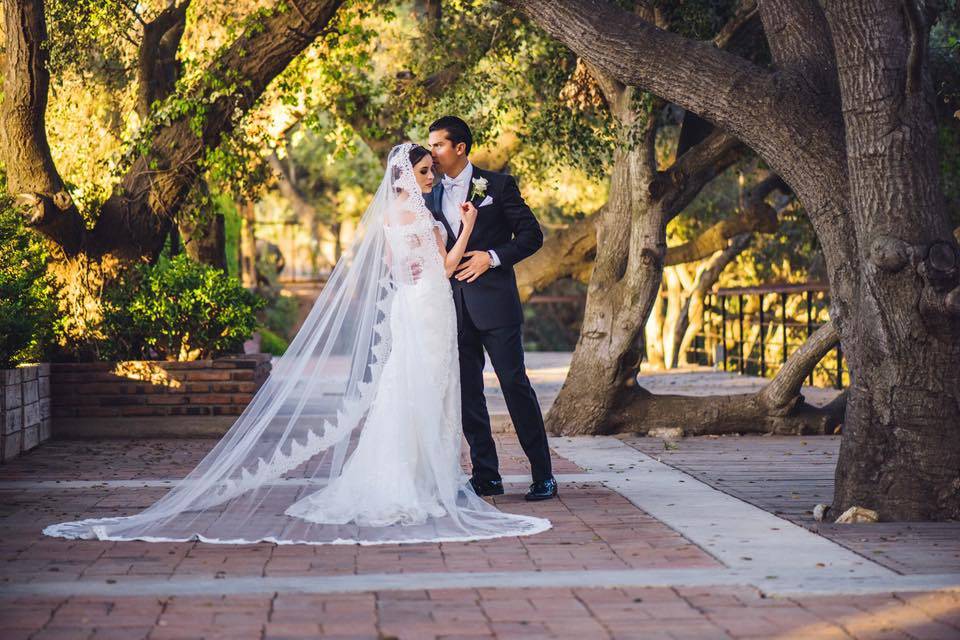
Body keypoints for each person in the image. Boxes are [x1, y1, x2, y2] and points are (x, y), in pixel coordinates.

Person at [42, 143, 551, 545]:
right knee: (436, 395)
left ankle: (477, 476)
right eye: (425, 167)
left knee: (443, 391)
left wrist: (484, 249)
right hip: (431, 306)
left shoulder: (457, 195)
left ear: (459, 148)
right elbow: (431, 266)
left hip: (447, 307)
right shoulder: (418, 208)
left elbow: (518, 239)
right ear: (409, 172)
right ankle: (450, 479)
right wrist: (466, 230)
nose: (433, 173)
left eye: (436, 161)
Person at [427, 116, 558, 501]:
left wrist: (493, 256)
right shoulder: (427, 192)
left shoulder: (497, 185)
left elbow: (533, 235)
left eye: (438, 145)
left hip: (497, 307)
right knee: (468, 394)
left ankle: (543, 474)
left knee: (516, 386)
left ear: (460, 148)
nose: (432, 152)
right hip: (452, 308)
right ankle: (487, 475)